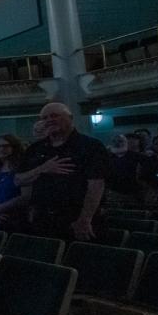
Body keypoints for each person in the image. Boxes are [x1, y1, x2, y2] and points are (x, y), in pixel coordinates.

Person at [16, 102, 110, 242]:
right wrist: (43, 169)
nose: (49, 120)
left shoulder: (91, 146)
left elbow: (96, 186)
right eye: (44, 118)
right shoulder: (36, 149)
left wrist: (85, 219)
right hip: (43, 220)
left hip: (76, 219)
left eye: (54, 115)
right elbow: (18, 180)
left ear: (70, 118)